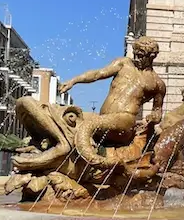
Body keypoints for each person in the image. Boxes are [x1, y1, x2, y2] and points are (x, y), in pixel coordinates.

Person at [59, 36, 166, 165]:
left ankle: (97, 161)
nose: (136, 58)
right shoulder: (123, 63)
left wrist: (154, 117)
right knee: (68, 118)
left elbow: (158, 111)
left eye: (141, 55)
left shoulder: (157, 83)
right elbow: (98, 74)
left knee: (90, 125)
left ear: (152, 56)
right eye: (135, 53)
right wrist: (74, 81)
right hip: (104, 118)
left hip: (125, 121)